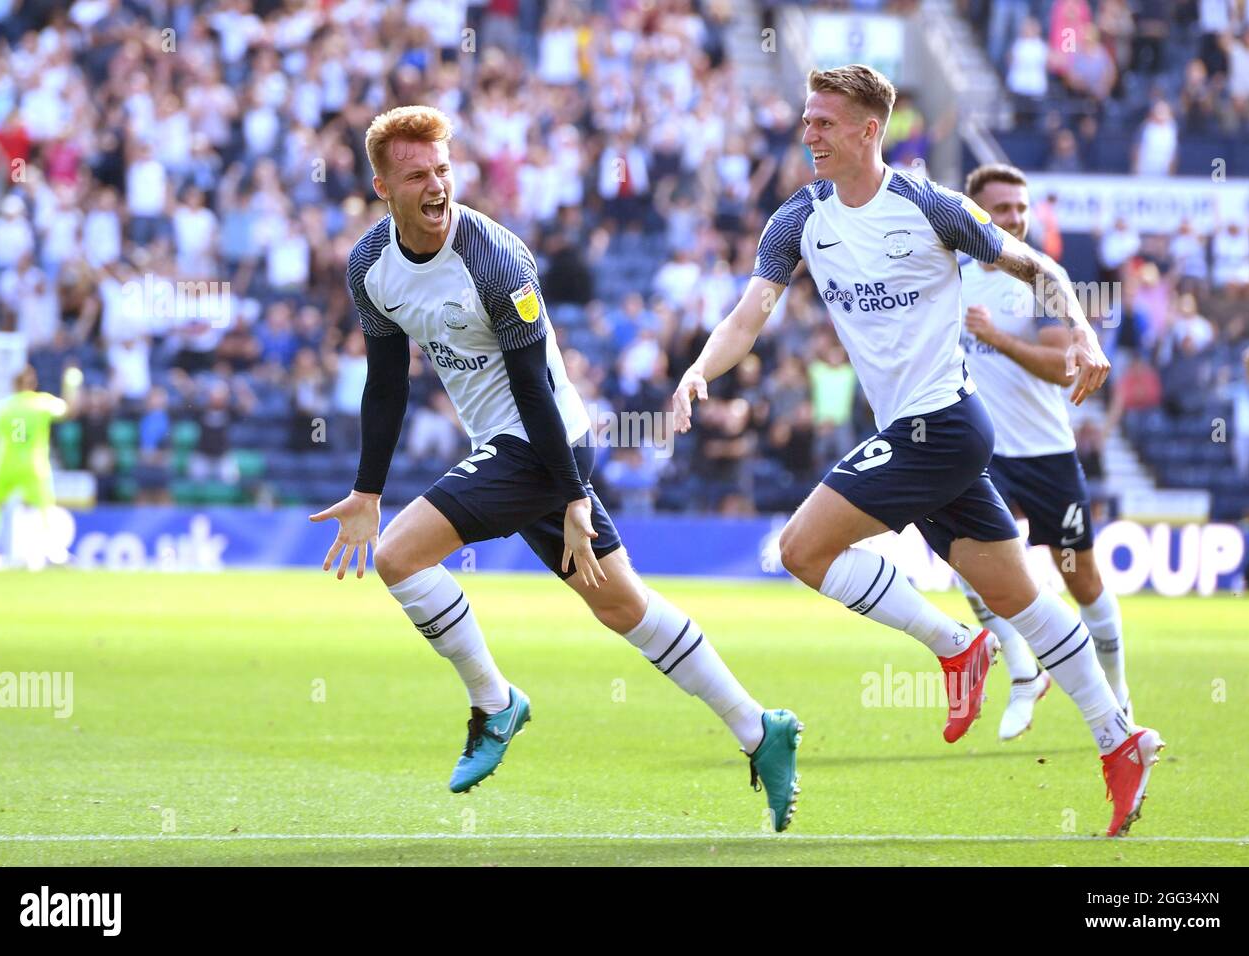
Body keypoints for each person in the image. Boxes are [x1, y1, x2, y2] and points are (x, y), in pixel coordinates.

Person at [672, 65, 1160, 838]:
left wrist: (1085, 332)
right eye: (806, 120)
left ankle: (956, 646)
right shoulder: (798, 218)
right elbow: (748, 314)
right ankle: (1120, 739)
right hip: (921, 432)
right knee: (1023, 601)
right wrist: (701, 368)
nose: (808, 134)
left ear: (871, 131)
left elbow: (1041, 266)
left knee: (800, 548)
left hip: (943, 426)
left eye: (824, 123)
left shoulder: (930, 206)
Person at [308, 106, 802, 830]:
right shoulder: (369, 266)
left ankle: (494, 702)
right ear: (383, 186)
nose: (438, 185)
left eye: (444, 169)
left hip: (547, 445)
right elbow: (386, 382)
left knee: (400, 556)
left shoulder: (496, 258)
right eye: (419, 175)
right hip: (512, 447)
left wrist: (571, 493)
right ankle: (761, 729)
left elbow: (536, 382)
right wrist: (366, 488)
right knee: (623, 606)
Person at [955, 163, 1133, 740]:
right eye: (1001, 209)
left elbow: (1064, 367)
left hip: (1046, 454)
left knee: (1080, 579)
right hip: (981, 453)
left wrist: (998, 339)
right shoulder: (950, 277)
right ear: (975, 213)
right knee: (970, 561)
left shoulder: (1038, 280)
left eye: (1021, 209)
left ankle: (1118, 695)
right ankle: (1023, 672)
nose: (1014, 219)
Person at [0, 365, 78, 568]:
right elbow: (70, 410)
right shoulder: (41, 402)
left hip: (5, 464)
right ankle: (54, 553)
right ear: (33, 383)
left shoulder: (3, 406)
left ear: (13, 385)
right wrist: (71, 384)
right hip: (34, 465)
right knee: (44, 509)